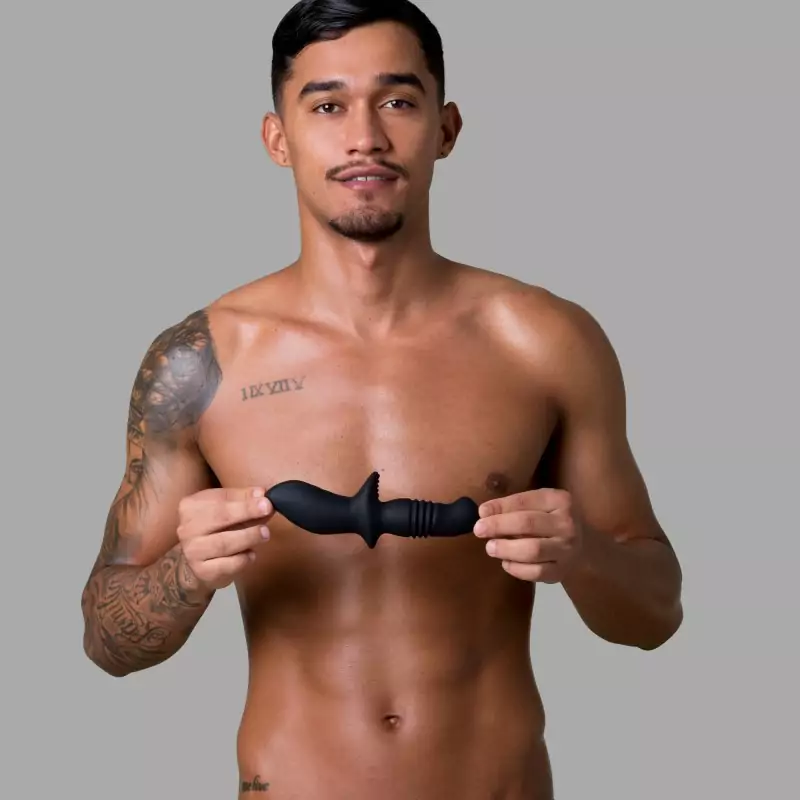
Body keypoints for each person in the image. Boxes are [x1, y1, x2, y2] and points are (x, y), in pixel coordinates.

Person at [80, 1, 684, 798]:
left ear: (446, 128)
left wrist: (583, 557)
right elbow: (107, 640)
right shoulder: (201, 363)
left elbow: (655, 616)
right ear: (278, 139)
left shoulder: (544, 343)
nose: (364, 136)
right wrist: (186, 573)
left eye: (397, 101)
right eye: (327, 106)